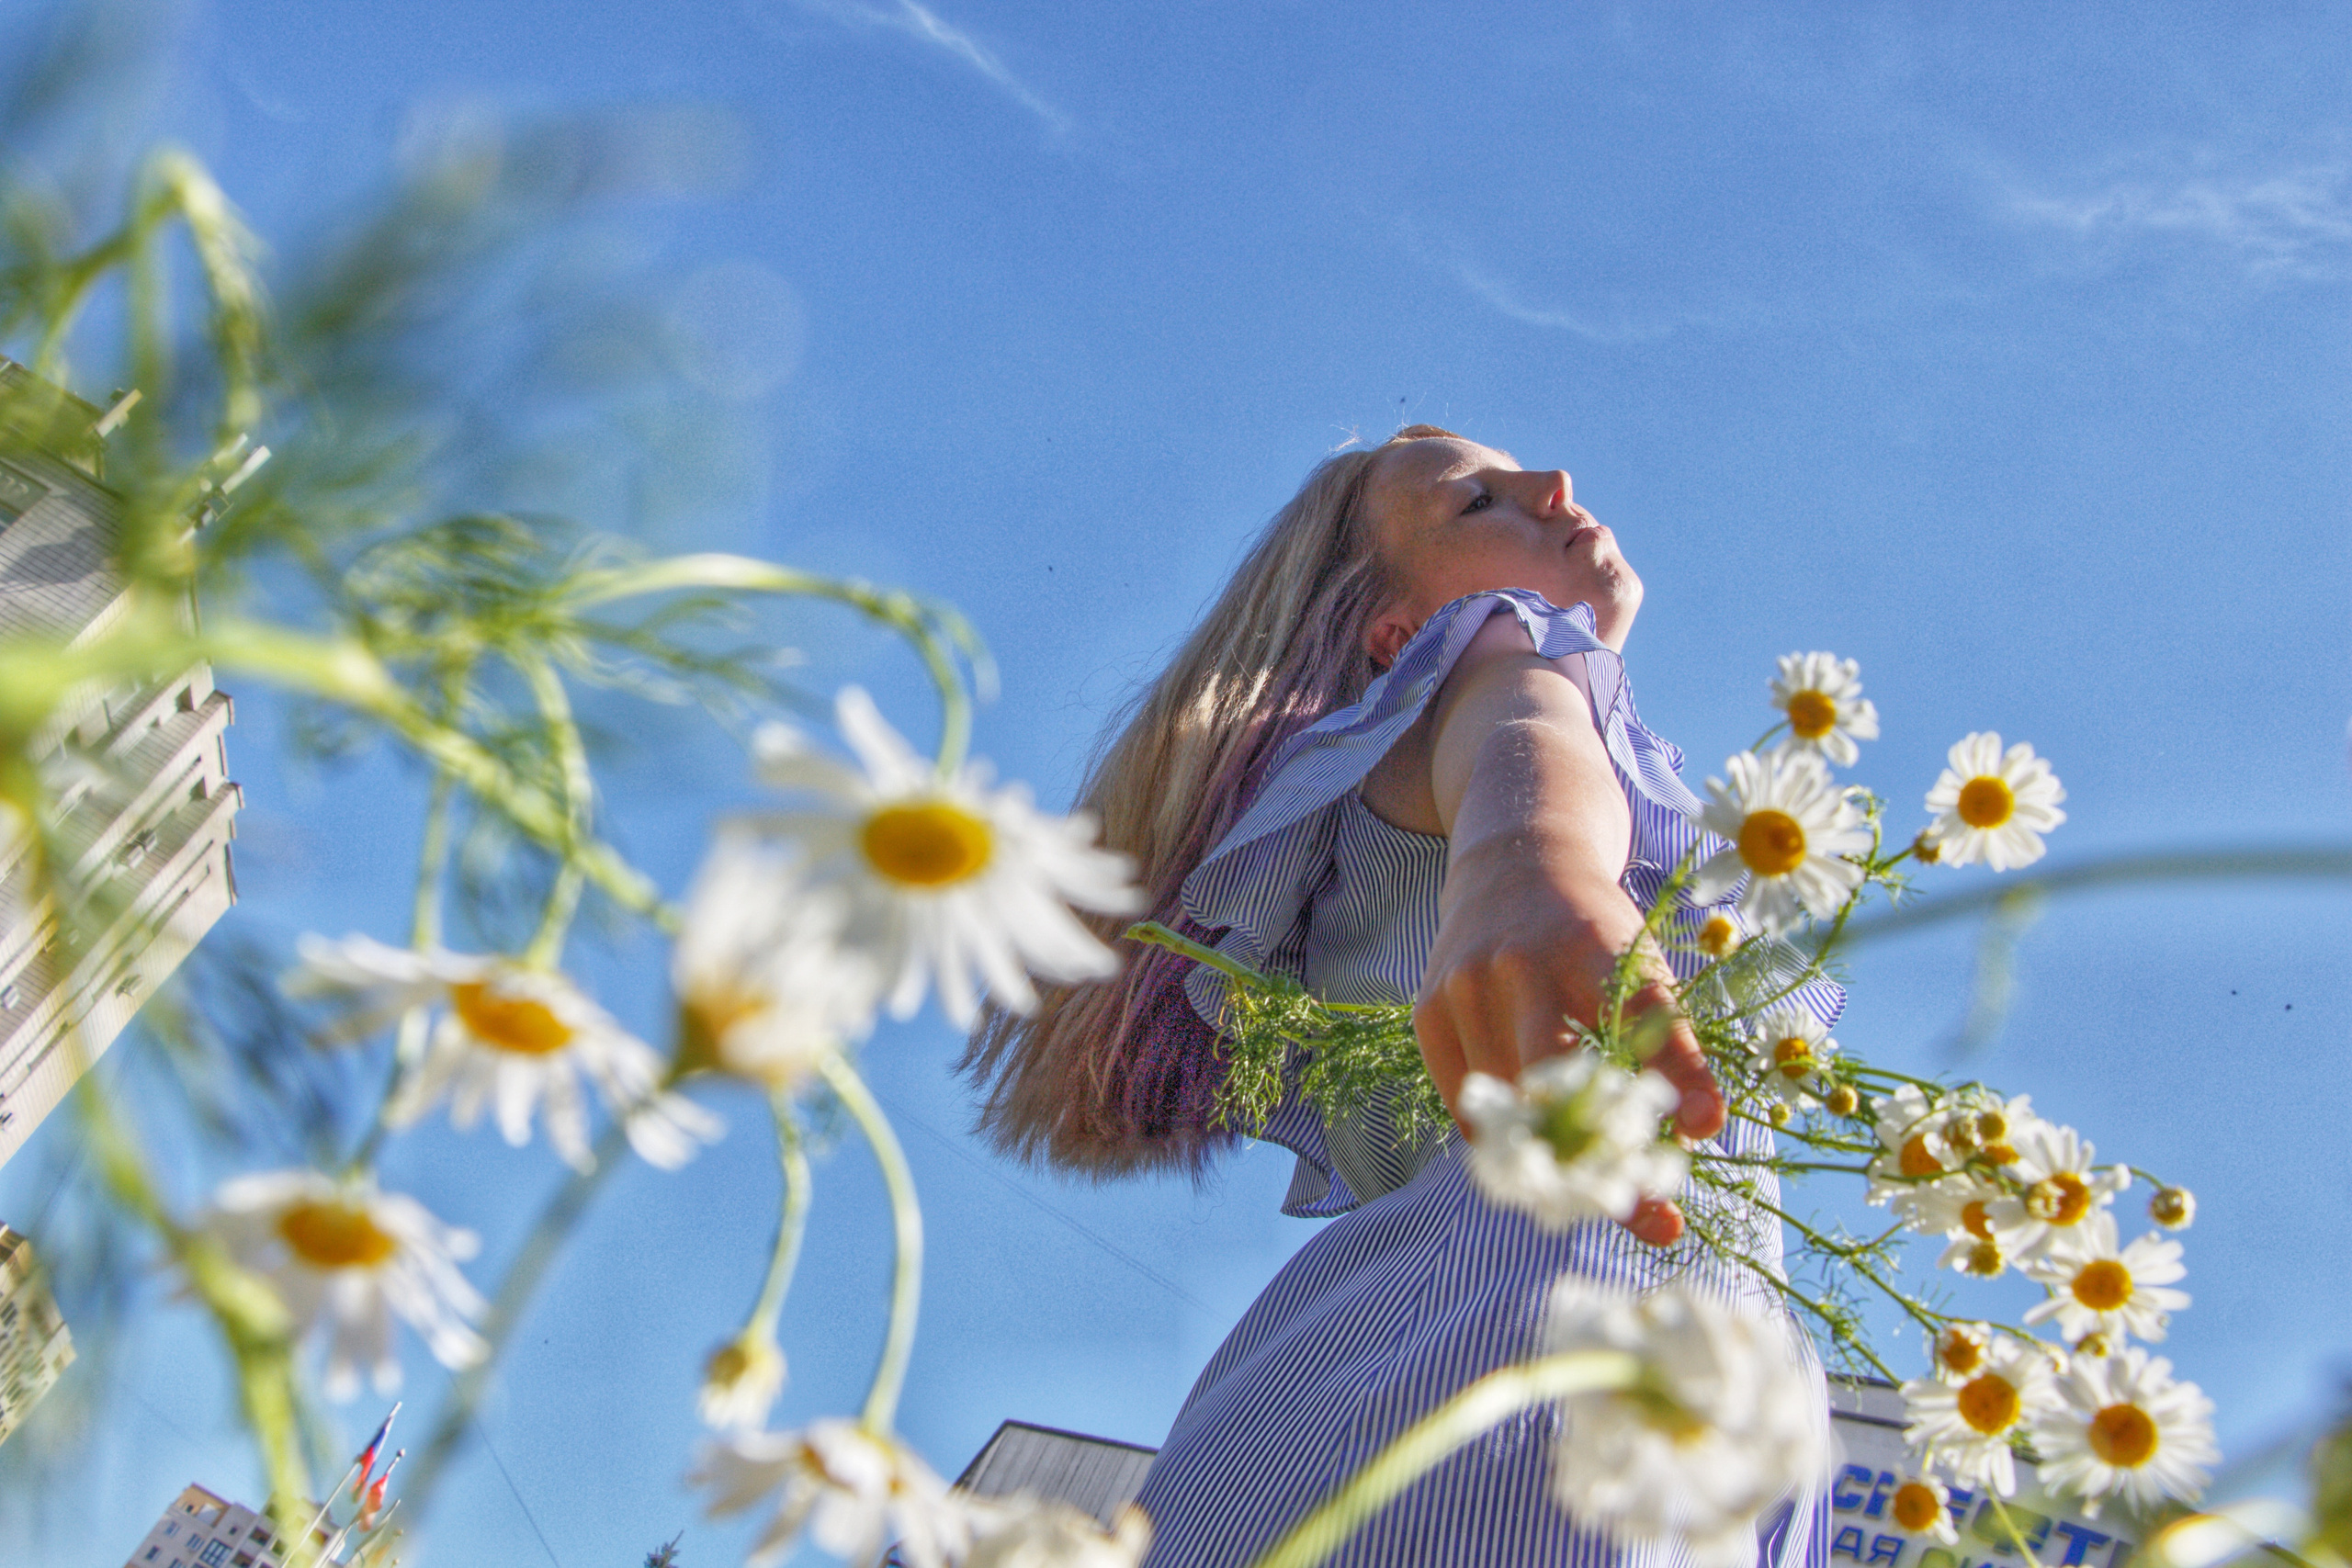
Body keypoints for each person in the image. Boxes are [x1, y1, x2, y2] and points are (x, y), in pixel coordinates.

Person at [963, 426, 1836, 1568]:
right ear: (1398, 635)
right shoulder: (1497, 663)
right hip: (1516, 1330)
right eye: (1480, 506)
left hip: (1591, 1357)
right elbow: (1518, 732)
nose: (1553, 484)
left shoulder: (1537, 755)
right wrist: (1531, 867)